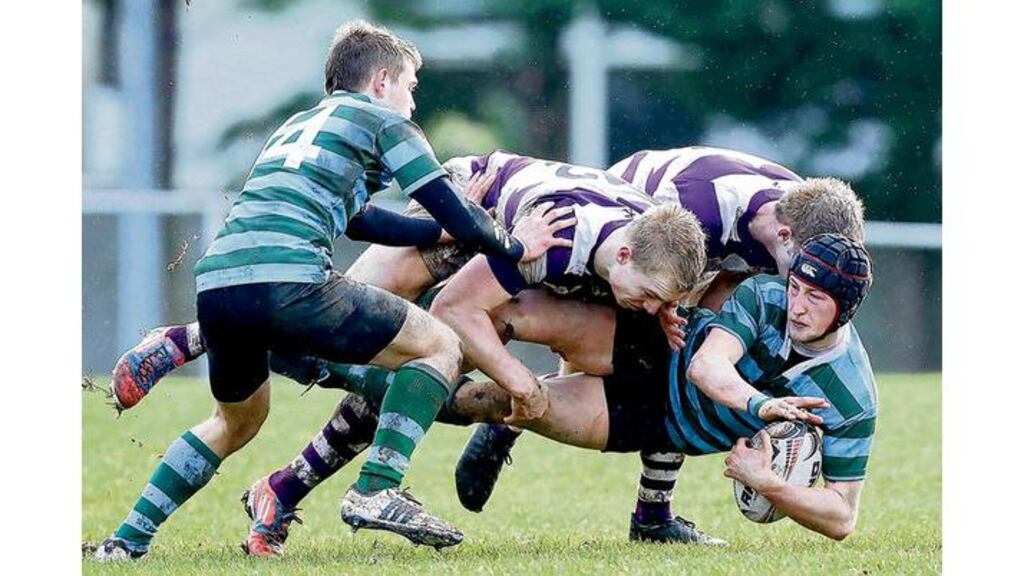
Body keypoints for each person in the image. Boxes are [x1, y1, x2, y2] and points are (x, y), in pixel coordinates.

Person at [94, 21, 571, 561]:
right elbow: (442, 199)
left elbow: (361, 222)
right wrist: (512, 242)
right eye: (411, 86)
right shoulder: (382, 121)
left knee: (236, 422)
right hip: (290, 282)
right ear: (383, 79)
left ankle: (126, 542)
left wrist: (441, 229)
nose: (413, 103)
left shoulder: (299, 125)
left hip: (219, 284)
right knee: (441, 346)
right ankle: (376, 488)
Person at [309, 234, 878, 543]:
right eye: (798, 286)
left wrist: (767, 484)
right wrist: (763, 405)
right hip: (658, 344)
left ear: (846, 311)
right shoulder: (769, 298)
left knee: (506, 402)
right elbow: (708, 368)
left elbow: (841, 519)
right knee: (505, 314)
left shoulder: (850, 399)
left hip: (652, 420)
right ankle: (360, 334)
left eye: (817, 299)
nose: (798, 305)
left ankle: (341, 371)